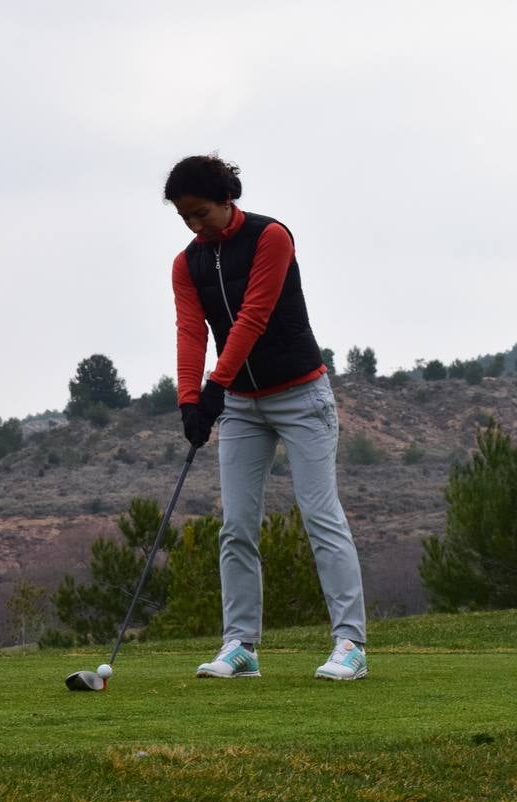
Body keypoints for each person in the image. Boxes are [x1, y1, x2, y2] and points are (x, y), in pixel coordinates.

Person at [164, 154, 368, 681]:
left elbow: (253, 317)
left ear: (226, 198)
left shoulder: (271, 237)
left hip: (302, 396)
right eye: (184, 216)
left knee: (321, 517)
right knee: (235, 526)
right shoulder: (186, 264)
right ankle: (241, 646)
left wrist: (215, 385)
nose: (194, 224)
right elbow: (191, 332)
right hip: (241, 407)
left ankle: (350, 644)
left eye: (201, 212)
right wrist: (190, 399)